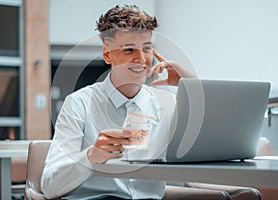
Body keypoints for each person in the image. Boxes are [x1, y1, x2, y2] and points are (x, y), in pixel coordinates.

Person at [41, 5, 195, 199]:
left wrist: (192, 85)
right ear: (107, 54)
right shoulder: (78, 104)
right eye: (129, 49)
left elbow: (210, 145)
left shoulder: (167, 103)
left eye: (146, 48)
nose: (141, 59)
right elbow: (49, 185)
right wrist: (91, 156)